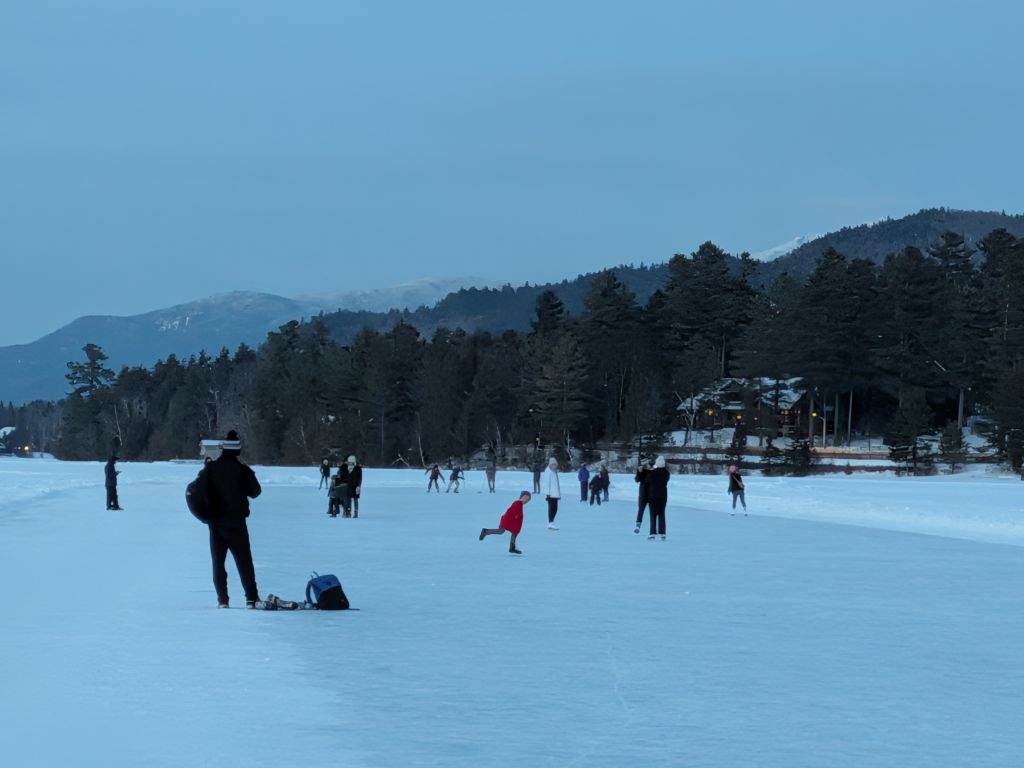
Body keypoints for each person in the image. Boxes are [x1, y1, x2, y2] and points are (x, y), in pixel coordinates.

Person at [205, 430, 262, 608]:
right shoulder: (242, 470)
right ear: (237, 450)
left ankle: (223, 600)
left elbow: (200, 491)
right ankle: (251, 599)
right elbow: (255, 492)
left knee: (218, 564)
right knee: (245, 562)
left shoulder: (211, 469)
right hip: (237, 524)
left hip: (215, 524)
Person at [479, 490, 531, 555]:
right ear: (523, 497)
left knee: (511, 532)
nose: (527, 500)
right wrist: (516, 515)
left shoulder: (519, 504)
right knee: (503, 531)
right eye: (527, 498)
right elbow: (512, 511)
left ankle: (512, 547)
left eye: (528, 500)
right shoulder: (517, 503)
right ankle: (485, 531)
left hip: (511, 521)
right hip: (508, 520)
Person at [644, 455, 670, 540]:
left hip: (653, 495)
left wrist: (653, 468)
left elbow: (647, 479)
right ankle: (662, 533)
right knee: (662, 513)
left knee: (653, 514)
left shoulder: (653, 473)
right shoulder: (666, 473)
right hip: (663, 495)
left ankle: (652, 533)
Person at [633, 458, 651, 534]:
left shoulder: (652, 468)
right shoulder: (640, 469)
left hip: (651, 492)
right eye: (642, 463)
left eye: (645, 463)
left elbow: (654, 478)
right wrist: (640, 472)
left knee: (653, 510)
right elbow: (637, 480)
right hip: (643, 493)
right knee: (641, 509)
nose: (644, 465)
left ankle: (654, 527)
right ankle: (638, 525)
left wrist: (651, 469)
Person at [543, 456, 561, 530]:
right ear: (551, 464)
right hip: (551, 494)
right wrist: (547, 494)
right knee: (552, 508)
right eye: (554, 465)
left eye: (556, 465)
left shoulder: (554, 471)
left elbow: (556, 484)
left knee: (555, 508)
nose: (555, 466)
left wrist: (558, 494)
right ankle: (550, 523)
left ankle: (551, 522)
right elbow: (547, 483)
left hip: (555, 494)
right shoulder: (548, 471)